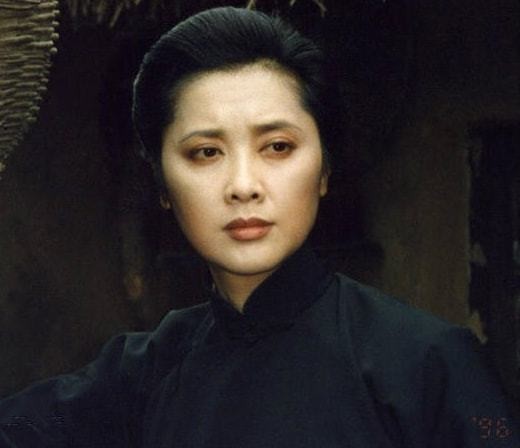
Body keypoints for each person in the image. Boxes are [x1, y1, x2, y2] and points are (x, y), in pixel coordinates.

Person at [0, 6, 518, 447]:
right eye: (206, 152)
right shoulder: (143, 373)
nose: (243, 186)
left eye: (277, 147)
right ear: (162, 185)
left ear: (324, 171)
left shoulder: (427, 364)